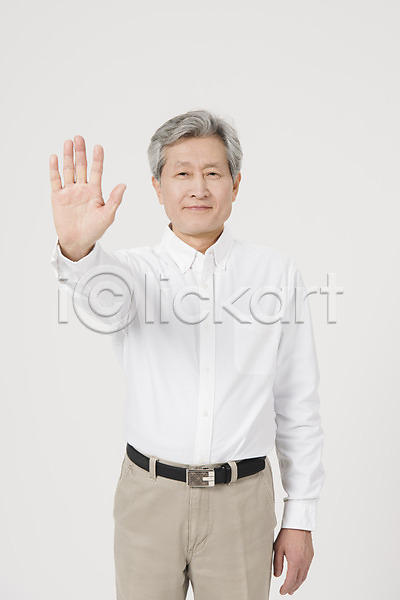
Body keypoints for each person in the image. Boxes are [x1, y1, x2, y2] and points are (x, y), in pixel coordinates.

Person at [49, 109, 325, 599]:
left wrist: (299, 516)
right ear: (158, 187)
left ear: (235, 184)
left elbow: (296, 401)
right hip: (149, 498)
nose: (198, 188)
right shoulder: (131, 271)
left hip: (242, 504)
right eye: (182, 174)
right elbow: (101, 304)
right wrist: (78, 252)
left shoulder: (275, 274)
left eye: (213, 173)